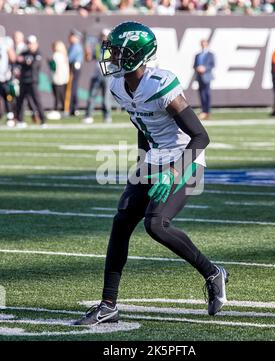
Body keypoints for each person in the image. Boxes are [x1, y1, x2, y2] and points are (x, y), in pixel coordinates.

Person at [74, 21, 229, 326]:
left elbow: (200, 137)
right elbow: (142, 127)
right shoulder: (118, 85)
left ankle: (213, 273)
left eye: (118, 52)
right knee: (122, 220)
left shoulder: (161, 84)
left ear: (136, 55)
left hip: (187, 160)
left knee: (156, 224)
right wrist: (143, 164)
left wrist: (173, 171)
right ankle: (108, 305)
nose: (112, 57)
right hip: (155, 158)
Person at [82, 29, 112, 124]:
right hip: (96, 75)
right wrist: (87, 50)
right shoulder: (98, 46)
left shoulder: (111, 47)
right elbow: (89, 58)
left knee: (106, 98)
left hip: (107, 75)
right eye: (102, 35)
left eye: (105, 36)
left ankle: (107, 116)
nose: (103, 37)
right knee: (91, 97)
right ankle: (88, 116)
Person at [15, 35, 46, 127]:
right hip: (23, 80)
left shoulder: (38, 54)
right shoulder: (24, 53)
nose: (30, 45)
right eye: (28, 43)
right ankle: (20, 120)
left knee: (37, 101)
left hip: (33, 80)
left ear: (36, 44)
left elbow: (34, 65)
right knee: (20, 101)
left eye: (31, 43)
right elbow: (17, 61)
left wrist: (24, 61)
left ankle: (43, 120)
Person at [47, 40, 69, 120]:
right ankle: (64, 111)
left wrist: (49, 62)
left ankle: (56, 111)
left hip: (57, 78)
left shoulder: (56, 55)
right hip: (64, 78)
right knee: (62, 96)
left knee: (57, 97)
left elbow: (54, 67)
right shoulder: (64, 55)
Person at [193, 39, 215, 120]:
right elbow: (194, 65)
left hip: (207, 76)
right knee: (201, 94)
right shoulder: (197, 55)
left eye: (204, 44)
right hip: (199, 77)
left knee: (207, 94)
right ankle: (203, 111)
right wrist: (197, 68)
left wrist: (204, 68)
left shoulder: (210, 54)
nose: (203, 45)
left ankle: (207, 111)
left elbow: (212, 65)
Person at [0, 25, 16, 126]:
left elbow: (13, 58)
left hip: (4, 75)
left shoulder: (6, 42)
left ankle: (10, 116)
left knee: (7, 96)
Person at [66, 29, 84, 116]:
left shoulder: (76, 46)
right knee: (72, 88)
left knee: (73, 88)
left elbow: (69, 58)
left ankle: (74, 108)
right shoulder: (72, 46)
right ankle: (73, 108)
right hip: (72, 67)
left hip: (75, 68)